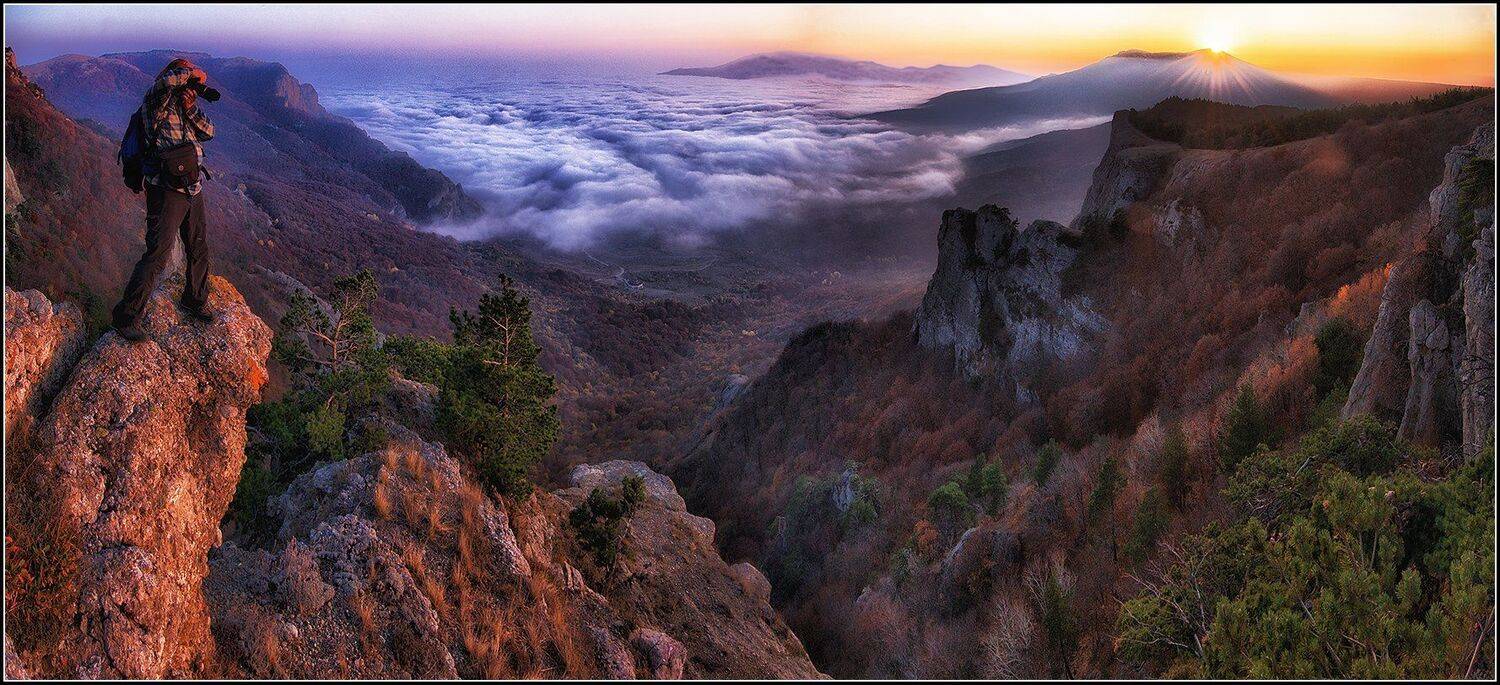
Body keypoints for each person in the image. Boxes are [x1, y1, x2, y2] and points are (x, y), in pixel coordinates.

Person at [111, 58, 219, 342]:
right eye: (187, 76)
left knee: (198, 247)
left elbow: (209, 132)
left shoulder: (183, 104)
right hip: (166, 191)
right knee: (158, 255)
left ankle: (194, 300)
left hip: (193, 188)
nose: (193, 83)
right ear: (175, 74)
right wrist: (192, 74)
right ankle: (126, 317)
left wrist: (190, 107)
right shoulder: (155, 101)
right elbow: (166, 83)